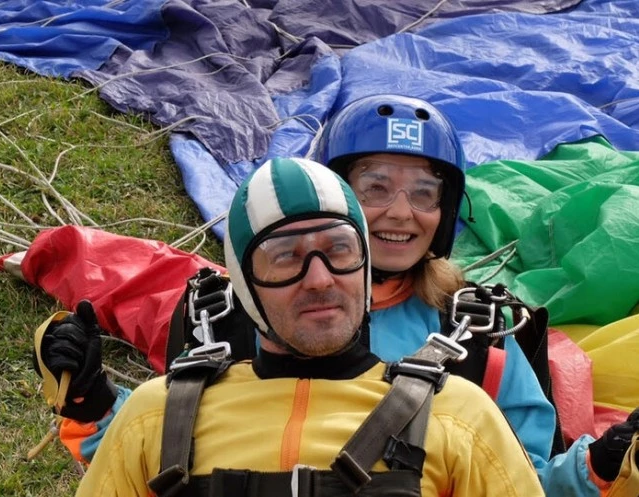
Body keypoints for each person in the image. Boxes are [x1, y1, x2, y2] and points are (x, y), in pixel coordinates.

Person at [33, 96, 639, 496]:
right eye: (376, 187)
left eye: (424, 193)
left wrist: (601, 465)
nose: (400, 212)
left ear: (447, 209)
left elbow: (521, 483)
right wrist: (94, 405)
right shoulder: (228, 317)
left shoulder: (483, 341)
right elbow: (169, 448)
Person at [60, 156, 544, 496]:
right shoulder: (157, 416)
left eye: (339, 250)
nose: (319, 279)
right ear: (245, 283)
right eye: (285, 257)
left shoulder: (463, 417)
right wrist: (95, 402)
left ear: (364, 264)